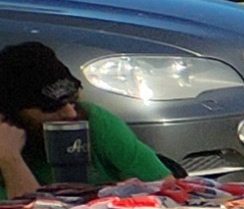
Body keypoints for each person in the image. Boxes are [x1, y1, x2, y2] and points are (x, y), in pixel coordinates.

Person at [1, 41, 174, 191]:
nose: (70, 113)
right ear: (9, 115)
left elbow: (166, 185)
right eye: (51, 107)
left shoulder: (93, 120)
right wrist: (10, 160)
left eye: (73, 101)